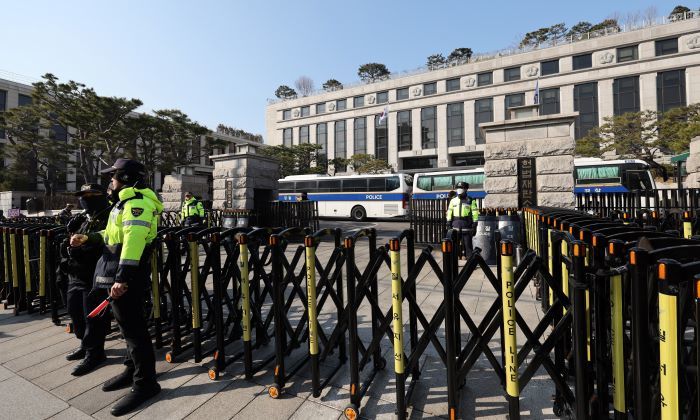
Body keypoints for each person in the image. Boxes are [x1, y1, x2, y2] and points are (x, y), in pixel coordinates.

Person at [71, 158, 163, 416]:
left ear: (124, 178)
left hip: (126, 273)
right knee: (125, 326)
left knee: (134, 329)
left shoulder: (137, 205)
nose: (109, 182)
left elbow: (133, 243)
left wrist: (122, 278)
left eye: (112, 178)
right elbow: (113, 236)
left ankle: (146, 384)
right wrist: (88, 236)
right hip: (113, 268)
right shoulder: (122, 204)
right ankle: (131, 370)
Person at [62, 184, 113, 376]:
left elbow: (108, 240)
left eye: (92, 195)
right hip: (77, 273)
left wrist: (86, 240)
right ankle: (85, 343)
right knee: (74, 311)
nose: (87, 198)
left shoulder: (109, 216)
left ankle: (95, 352)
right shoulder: (85, 217)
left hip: (94, 273)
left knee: (91, 315)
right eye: (84, 195)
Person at [445, 182, 479, 259]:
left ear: (466, 189)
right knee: (454, 246)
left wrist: (475, 225)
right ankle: (454, 262)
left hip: (467, 227)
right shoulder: (453, 200)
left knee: (468, 246)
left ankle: (470, 263)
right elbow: (449, 212)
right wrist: (448, 223)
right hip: (455, 227)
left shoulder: (470, 200)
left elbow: (475, 213)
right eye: (458, 188)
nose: (459, 190)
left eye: (461, 188)